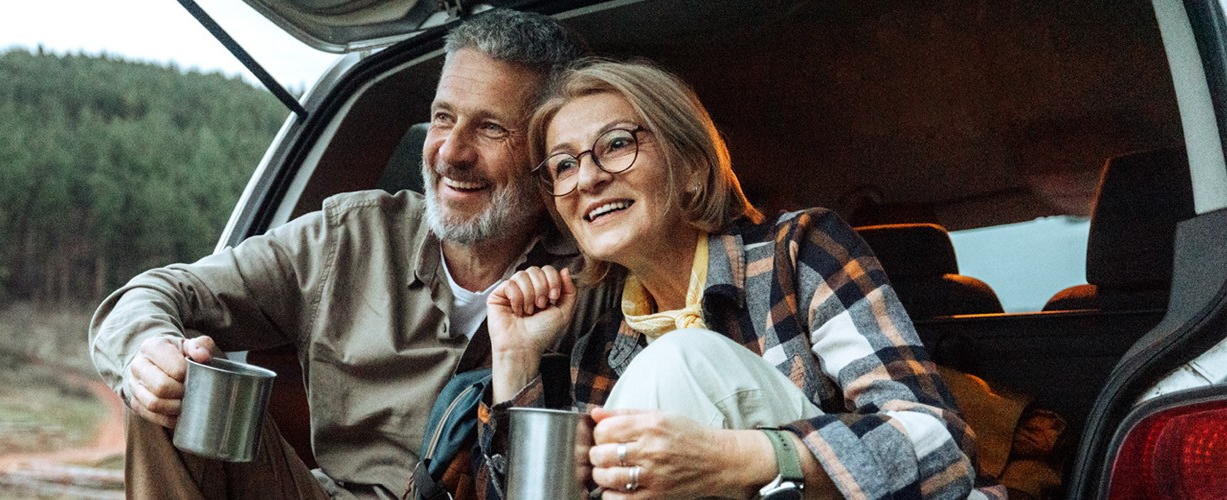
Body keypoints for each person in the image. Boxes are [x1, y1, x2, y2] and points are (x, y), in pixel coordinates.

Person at [85, 10, 613, 499]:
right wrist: (147, 354)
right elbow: (154, 292)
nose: (452, 152)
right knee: (177, 389)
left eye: (491, 127)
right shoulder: (351, 237)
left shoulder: (598, 277)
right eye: (443, 118)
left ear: (549, 149)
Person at [480, 60, 1003, 499]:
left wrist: (735, 459)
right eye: (563, 164)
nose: (587, 178)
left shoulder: (797, 252)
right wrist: (515, 362)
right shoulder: (602, 349)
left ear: (692, 167)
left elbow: (941, 448)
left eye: (616, 144)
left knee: (679, 358)